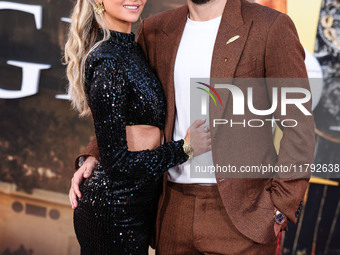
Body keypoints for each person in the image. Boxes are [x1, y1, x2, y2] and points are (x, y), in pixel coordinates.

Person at [70, 0, 315, 254]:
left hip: (244, 216)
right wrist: (96, 155)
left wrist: (279, 209)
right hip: (172, 210)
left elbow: (299, 127)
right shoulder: (155, 30)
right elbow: (129, 108)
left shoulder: (270, 26)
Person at [64, 0, 211, 254]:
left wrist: (94, 155)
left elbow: (120, 126)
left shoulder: (132, 45)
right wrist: (184, 149)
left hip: (137, 203)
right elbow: (118, 165)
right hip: (112, 209)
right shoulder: (107, 61)